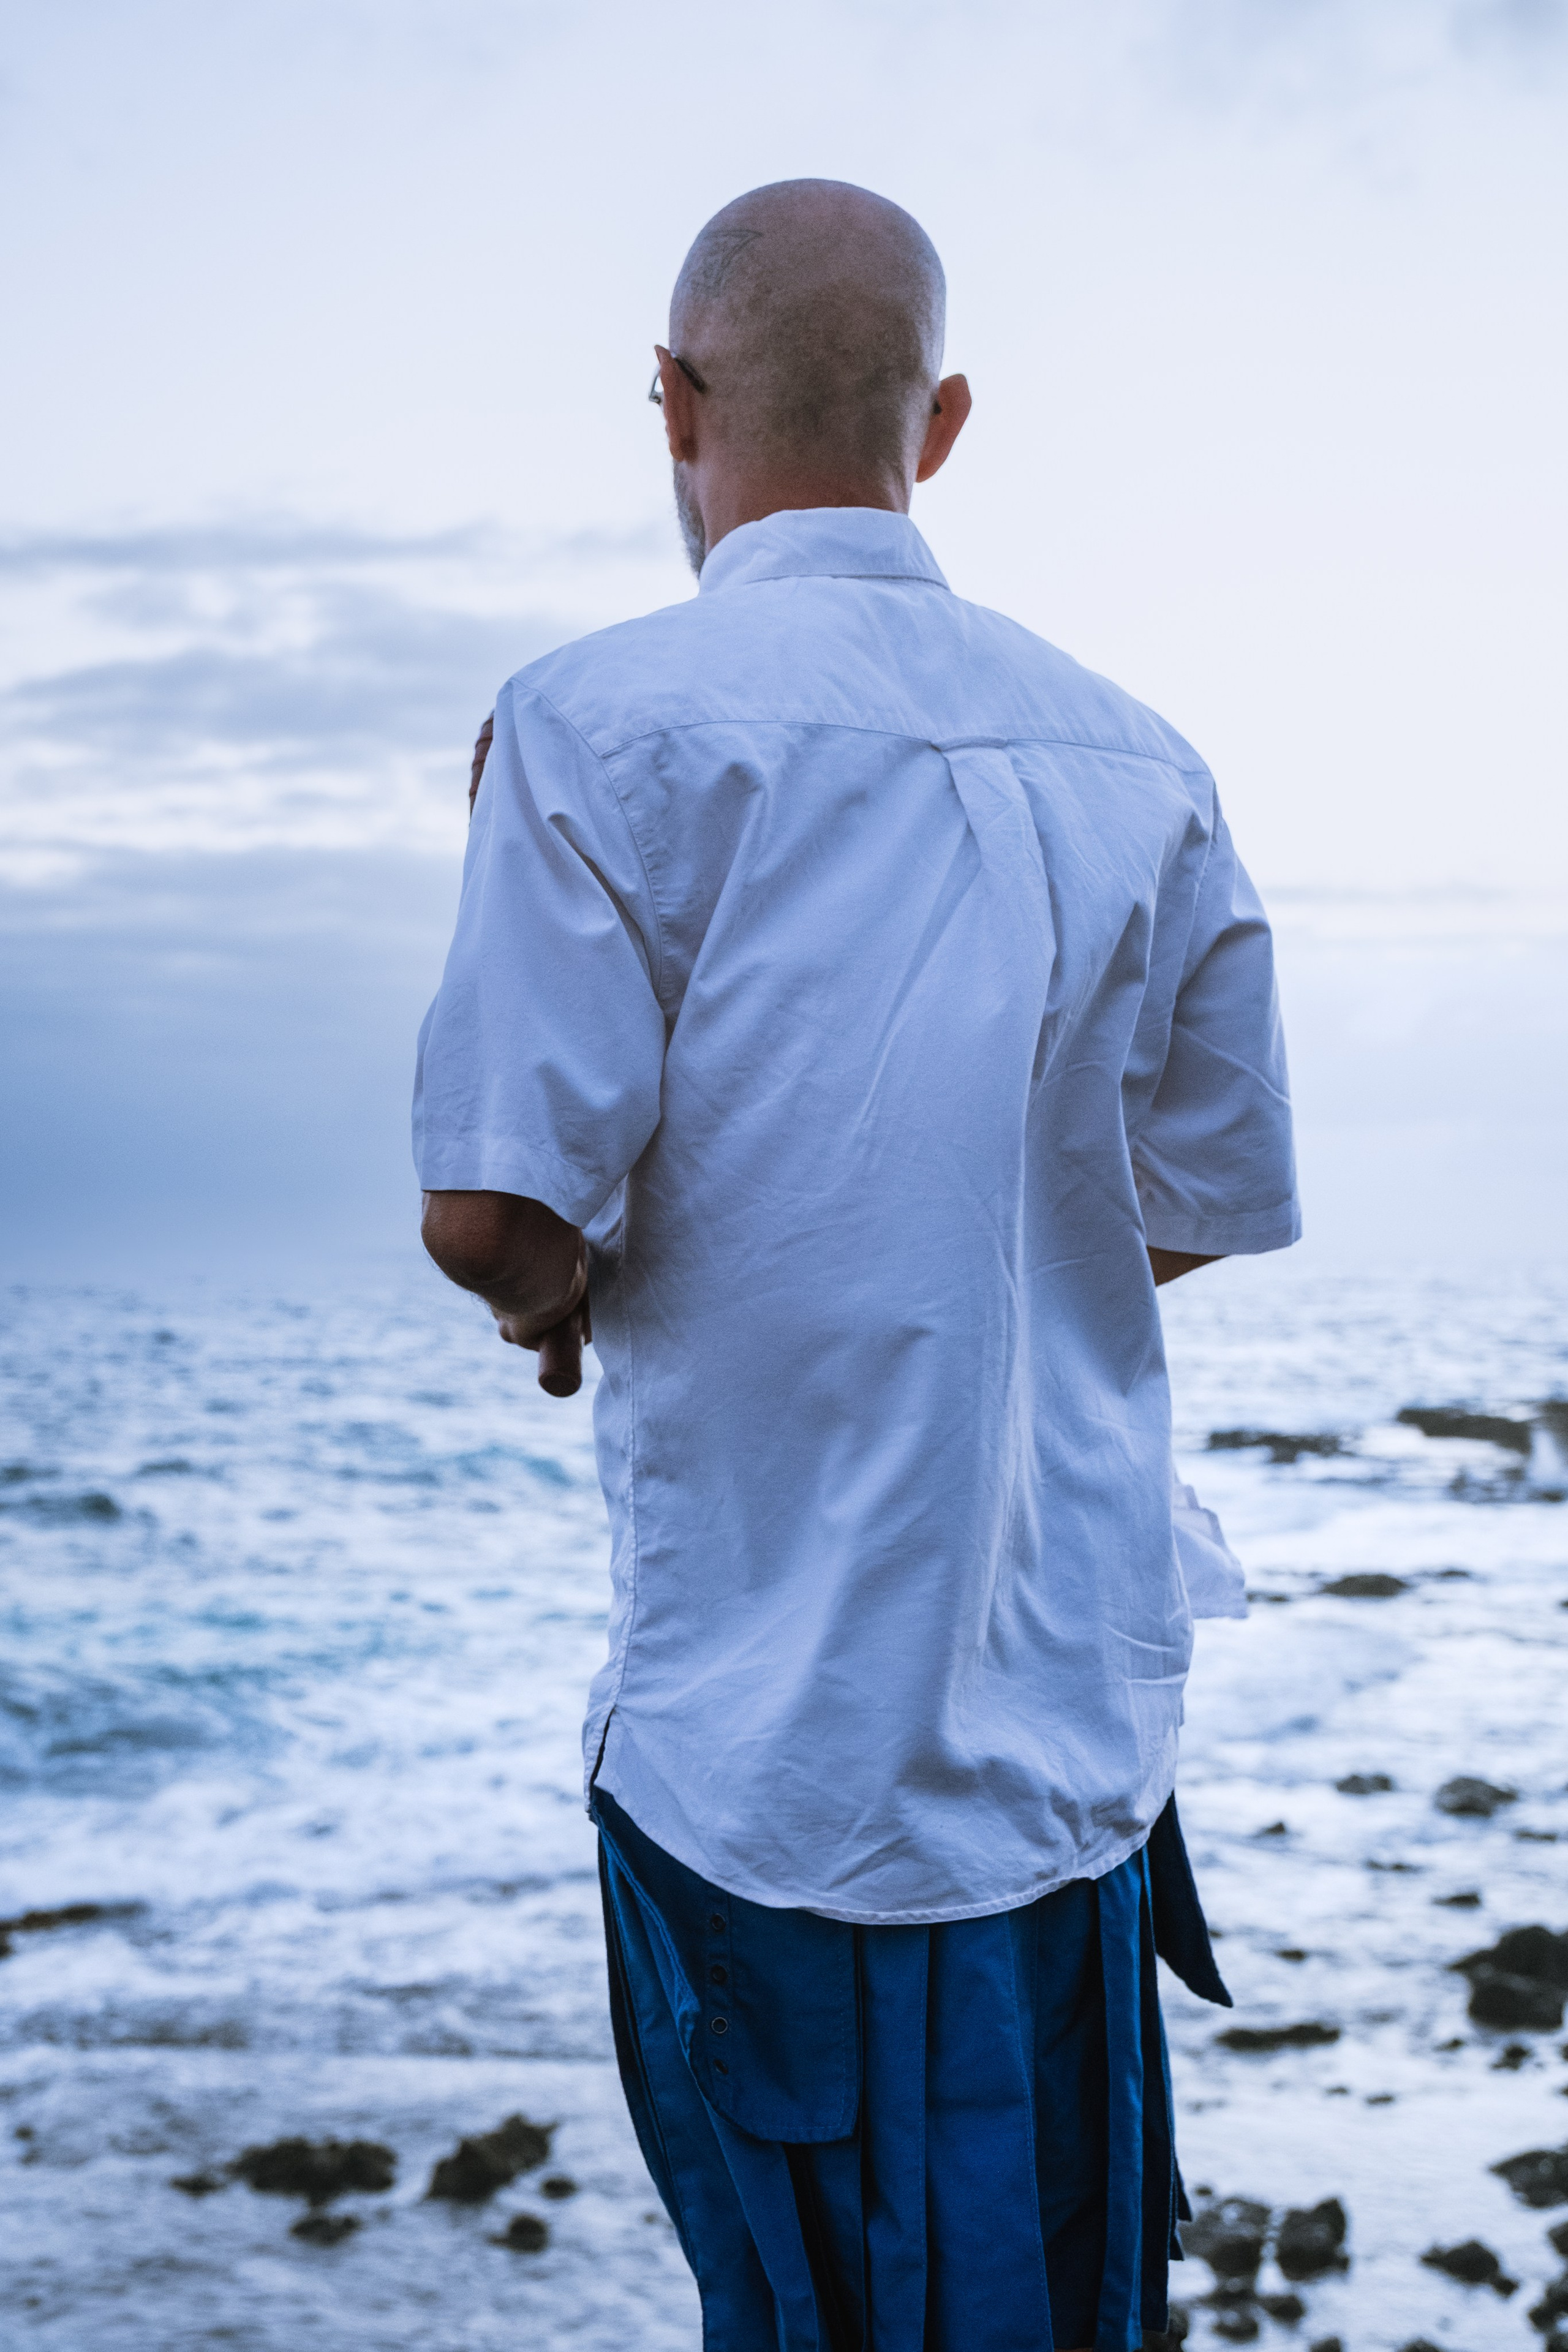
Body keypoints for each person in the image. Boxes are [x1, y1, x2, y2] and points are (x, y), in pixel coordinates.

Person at [415, 178, 1298, 2352]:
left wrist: (574, 1305)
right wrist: (977, 1276)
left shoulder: (597, 724)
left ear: (672, 404)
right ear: (949, 416)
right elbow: (1196, 1192)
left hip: (769, 1757)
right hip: (1072, 1733)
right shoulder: (1139, 757)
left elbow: (498, 1215)